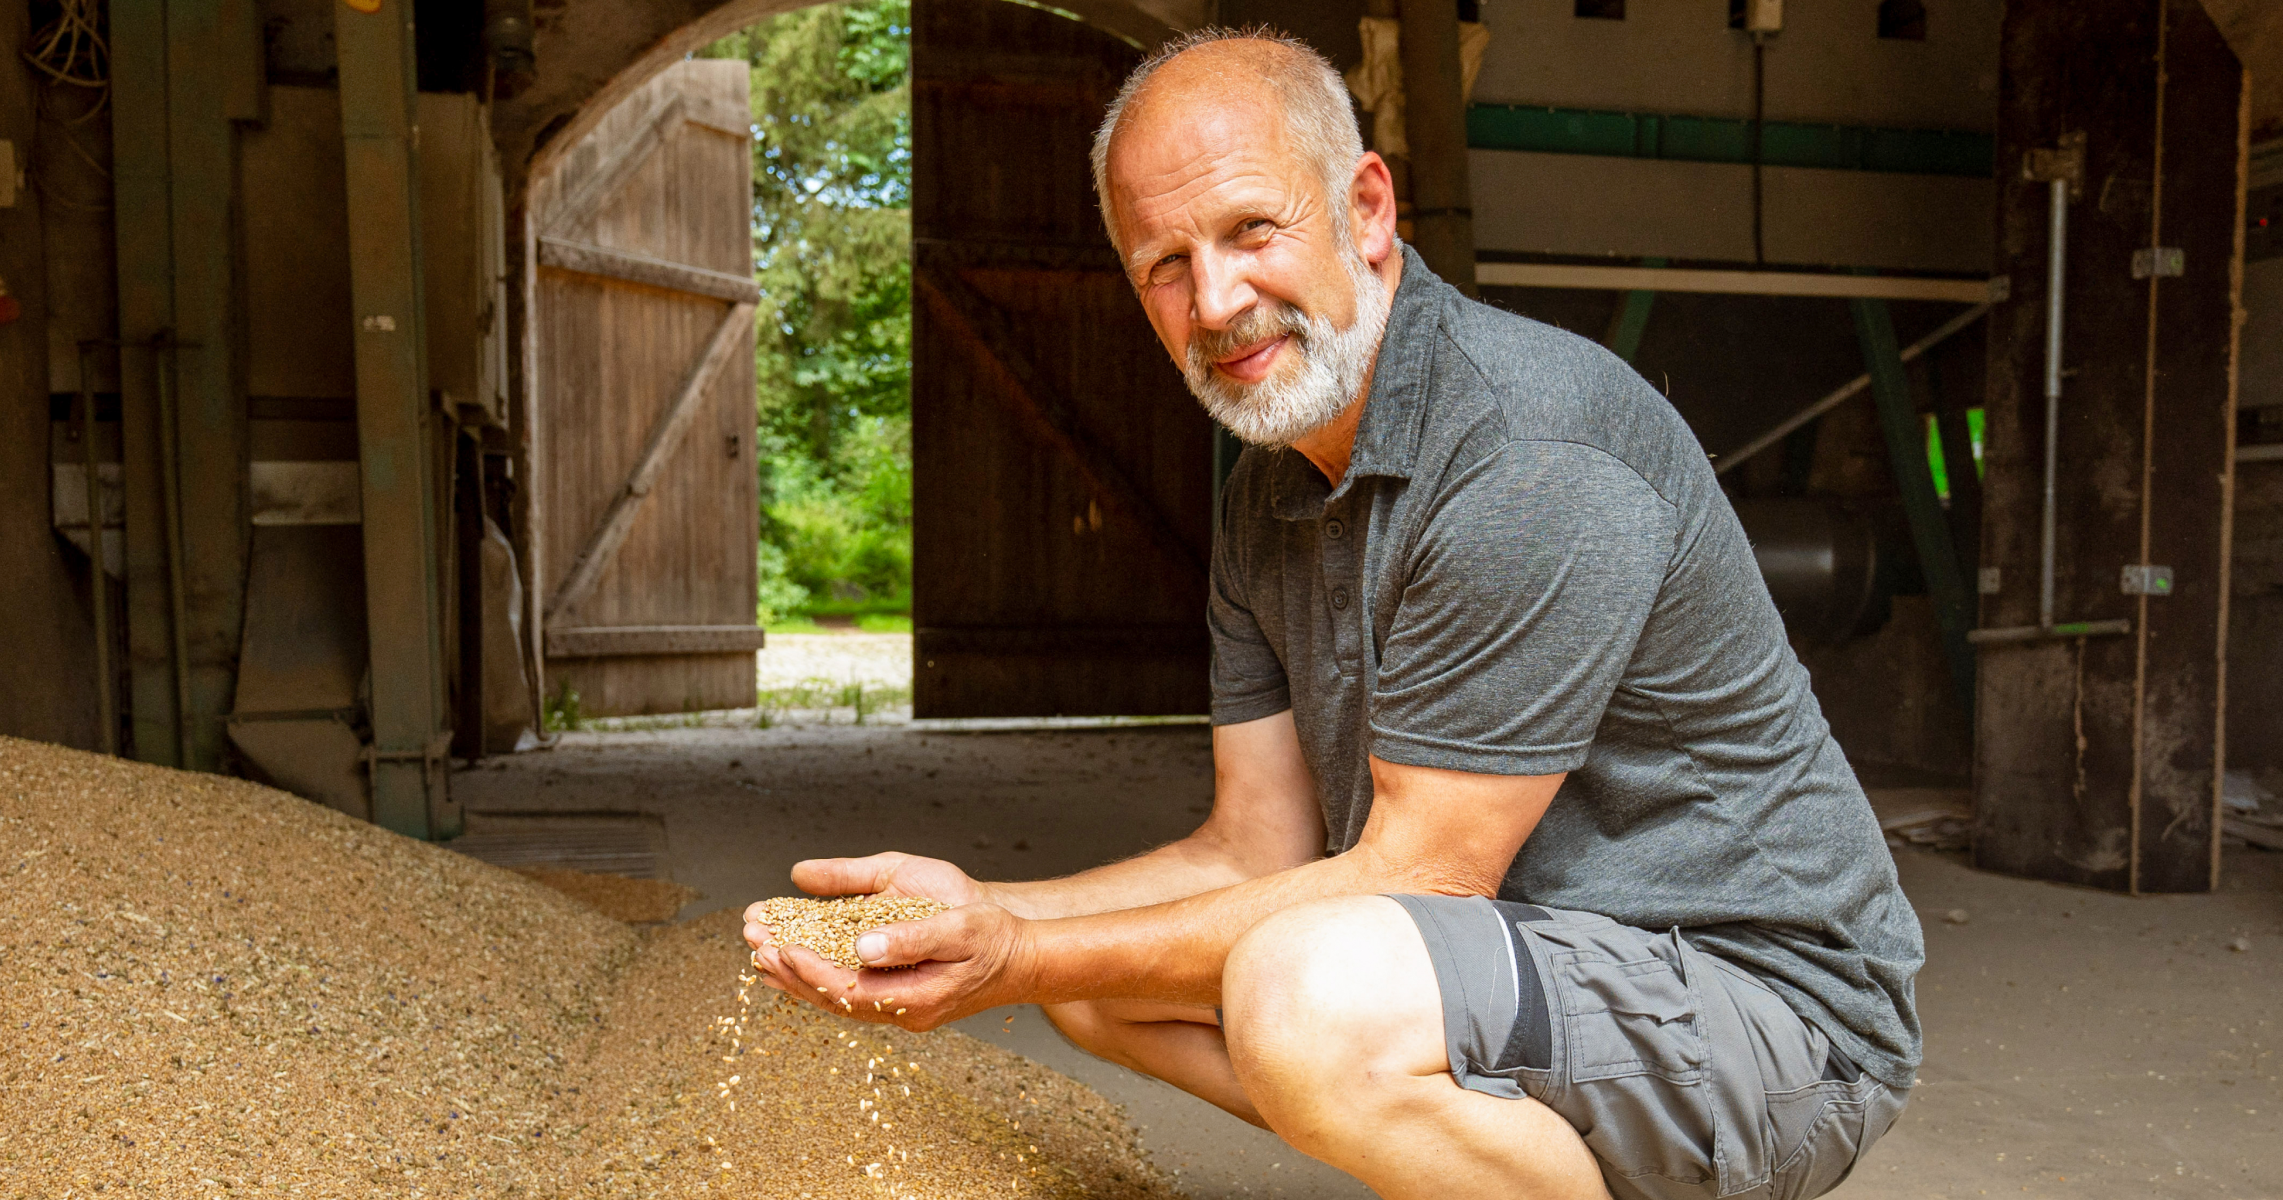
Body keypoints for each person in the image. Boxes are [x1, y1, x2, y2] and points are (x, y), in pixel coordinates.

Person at [744, 29, 1921, 1200]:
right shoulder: (1268, 492)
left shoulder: (1525, 451)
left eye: (1252, 230)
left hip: (1772, 1020)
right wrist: (977, 917)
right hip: (1545, 977)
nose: (1216, 300)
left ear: (1365, 210)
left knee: (1302, 995)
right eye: (1165, 263)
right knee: (1103, 981)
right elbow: (1251, 848)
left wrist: (1015, 953)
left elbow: (1427, 872)